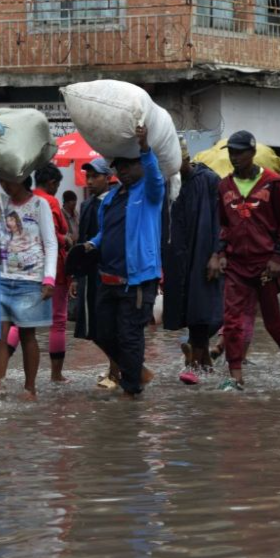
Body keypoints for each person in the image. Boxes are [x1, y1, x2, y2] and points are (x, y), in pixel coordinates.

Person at [215, 130, 280, 391]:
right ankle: (235, 376)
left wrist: (279, 257)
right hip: (235, 265)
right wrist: (220, 253)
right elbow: (222, 225)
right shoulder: (224, 186)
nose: (234, 157)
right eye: (231, 152)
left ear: (252, 153)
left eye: (239, 152)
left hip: (266, 265)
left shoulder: (273, 183)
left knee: (273, 322)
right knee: (232, 321)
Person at [84, 125, 164, 398]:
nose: (125, 171)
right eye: (120, 167)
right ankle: (138, 371)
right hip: (108, 277)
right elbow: (106, 231)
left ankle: (132, 392)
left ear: (140, 165)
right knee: (101, 333)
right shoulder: (113, 197)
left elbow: (154, 176)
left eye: (130, 166)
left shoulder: (150, 192)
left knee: (130, 336)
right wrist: (92, 243)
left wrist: (144, 149)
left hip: (137, 279)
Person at [0, 174, 57, 400]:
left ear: (20, 179)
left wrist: (49, 278)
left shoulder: (40, 204)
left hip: (31, 280)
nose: (4, 184)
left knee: (28, 335)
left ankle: (30, 388)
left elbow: (50, 243)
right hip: (1, 277)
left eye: (7, 180)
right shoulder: (1, 203)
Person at [163, 148, 223, 384]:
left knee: (204, 311)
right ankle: (204, 367)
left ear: (186, 158)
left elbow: (221, 218)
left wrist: (216, 254)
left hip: (205, 255)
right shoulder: (176, 185)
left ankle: (195, 365)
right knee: (188, 310)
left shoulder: (208, 180)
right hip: (181, 258)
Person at [68, 158, 119, 388]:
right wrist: (76, 276)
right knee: (91, 327)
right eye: (87, 177)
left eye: (94, 176)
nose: (89, 181)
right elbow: (81, 240)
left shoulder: (116, 202)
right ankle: (117, 366)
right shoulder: (86, 204)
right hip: (89, 272)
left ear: (107, 178)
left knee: (109, 325)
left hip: (110, 271)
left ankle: (117, 370)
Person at [33, 163, 71, 382]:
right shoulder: (50, 201)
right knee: (58, 321)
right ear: (52, 183)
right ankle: (56, 375)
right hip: (54, 267)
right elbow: (58, 233)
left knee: (21, 320)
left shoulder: (26, 199)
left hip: (29, 268)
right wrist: (66, 239)